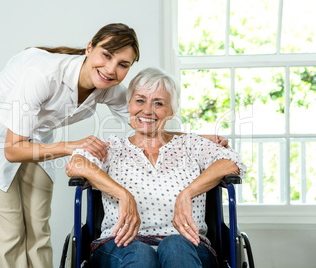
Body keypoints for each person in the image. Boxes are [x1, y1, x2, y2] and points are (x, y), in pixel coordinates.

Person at [0, 23, 228, 268]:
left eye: (123, 64)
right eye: (106, 55)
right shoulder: (41, 75)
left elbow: (147, 122)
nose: (112, 69)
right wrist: (70, 146)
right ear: (90, 48)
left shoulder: (109, 87)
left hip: (38, 135)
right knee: (11, 233)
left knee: (38, 229)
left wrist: (199, 139)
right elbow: (12, 150)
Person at [66, 67, 247, 268]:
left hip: (188, 246)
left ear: (171, 111)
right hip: (120, 245)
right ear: (129, 105)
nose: (147, 110)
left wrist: (187, 193)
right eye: (140, 100)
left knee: (175, 245)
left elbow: (233, 163)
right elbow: (76, 164)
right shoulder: (113, 148)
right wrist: (123, 194)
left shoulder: (191, 145)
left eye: (158, 103)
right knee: (140, 254)